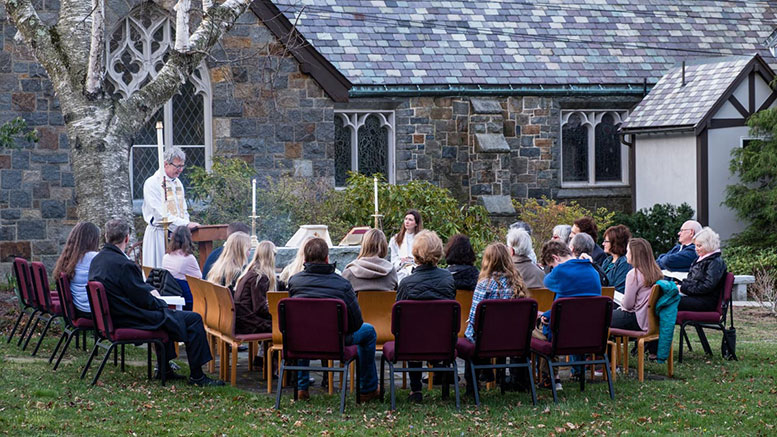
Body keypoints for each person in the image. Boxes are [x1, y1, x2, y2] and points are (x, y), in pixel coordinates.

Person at [89, 218, 222, 386]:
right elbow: (143, 299)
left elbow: (133, 291)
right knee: (193, 319)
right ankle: (197, 376)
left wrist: (153, 298)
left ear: (106, 237)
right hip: (129, 318)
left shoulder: (98, 260)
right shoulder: (123, 264)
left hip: (114, 316)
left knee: (170, 316)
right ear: (127, 238)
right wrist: (161, 303)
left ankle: (165, 369)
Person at [287, 238, 379, 402]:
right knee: (369, 331)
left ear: (305, 259)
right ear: (327, 258)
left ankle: (302, 388)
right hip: (336, 340)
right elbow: (356, 322)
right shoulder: (342, 284)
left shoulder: (295, 282)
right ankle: (367, 389)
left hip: (304, 340)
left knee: (302, 329)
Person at [395, 230, 455, 403]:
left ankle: (416, 389)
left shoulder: (406, 283)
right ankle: (441, 378)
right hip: (441, 340)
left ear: (415, 253)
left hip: (412, 343)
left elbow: (399, 319)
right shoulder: (448, 280)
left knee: (412, 331)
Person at [463, 243, 528, 394]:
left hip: (486, 339)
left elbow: (474, 318)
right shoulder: (518, 284)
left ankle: (472, 387)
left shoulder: (484, 284)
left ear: (487, 260)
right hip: (514, 339)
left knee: (471, 339)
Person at [540, 240, 602, 387]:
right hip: (591, 334)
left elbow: (546, 282)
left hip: (562, 336)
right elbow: (575, 303)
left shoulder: (560, 272)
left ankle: (550, 378)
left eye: (551, 266)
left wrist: (547, 315)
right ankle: (574, 372)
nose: (552, 269)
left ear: (556, 258)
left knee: (538, 329)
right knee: (557, 316)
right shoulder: (593, 271)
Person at [142, 146, 200, 268]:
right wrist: (184, 224)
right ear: (166, 164)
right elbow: (160, 216)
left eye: (182, 166)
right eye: (177, 166)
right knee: (159, 270)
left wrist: (186, 225)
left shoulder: (178, 183)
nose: (180, 170)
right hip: (158, 234)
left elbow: (183, 210)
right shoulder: (153, 183)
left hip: (178, 237)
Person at [611, 238, 663, 331]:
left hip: (637, 319)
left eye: (628, 251)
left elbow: (628, 305)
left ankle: (606, 345)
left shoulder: (633, 274)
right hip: (652, 320)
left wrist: (622, 302)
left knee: (600, 318)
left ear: (635, 255)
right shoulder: (656, 272)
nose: (626, 254)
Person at [52, 222, 101, 318]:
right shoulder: (94, 257)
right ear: (93, 240)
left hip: (78, 307)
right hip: (91, 311)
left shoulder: (71, 258)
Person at [678, 227, 726, 312]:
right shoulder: (699, 260)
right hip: (695, 297)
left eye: (699, 246)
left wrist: (683, 289)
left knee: (669, 301)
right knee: (664, 297)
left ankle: (663, 325)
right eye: (696, 245)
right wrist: (680, 286)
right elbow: (691, 280)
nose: (696, 249)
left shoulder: (715, 262)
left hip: (706, 301)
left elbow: (707, 286)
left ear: (709, 244)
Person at [234, 240, 275, 335]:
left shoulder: (250, 272)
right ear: (271, 256)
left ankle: (265, 349)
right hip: (248, 324)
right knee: (285, 326)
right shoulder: (260, 277)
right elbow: (260, 308)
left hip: (241, 320)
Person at [162, 226, 201, 311]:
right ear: (188, 238)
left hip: (171, 293)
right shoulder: (188, 258)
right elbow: (200, 279)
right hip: (187, 298)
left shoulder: (166, 257)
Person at [389, 209, 423, 282]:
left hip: (417, 271)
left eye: (410, 220)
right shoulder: (395, 239)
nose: (407, 222)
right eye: (406, 219)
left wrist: (412, 260)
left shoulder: (421, 239)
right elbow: (392, 259)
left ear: (416, 223)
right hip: (400, 271)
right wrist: (401, 261)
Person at [601, 225, 632, 294]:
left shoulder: (624, 263)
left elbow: (618, 291)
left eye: (606, 241)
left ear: (615, 243)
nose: (603, 244)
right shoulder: (608, 260)